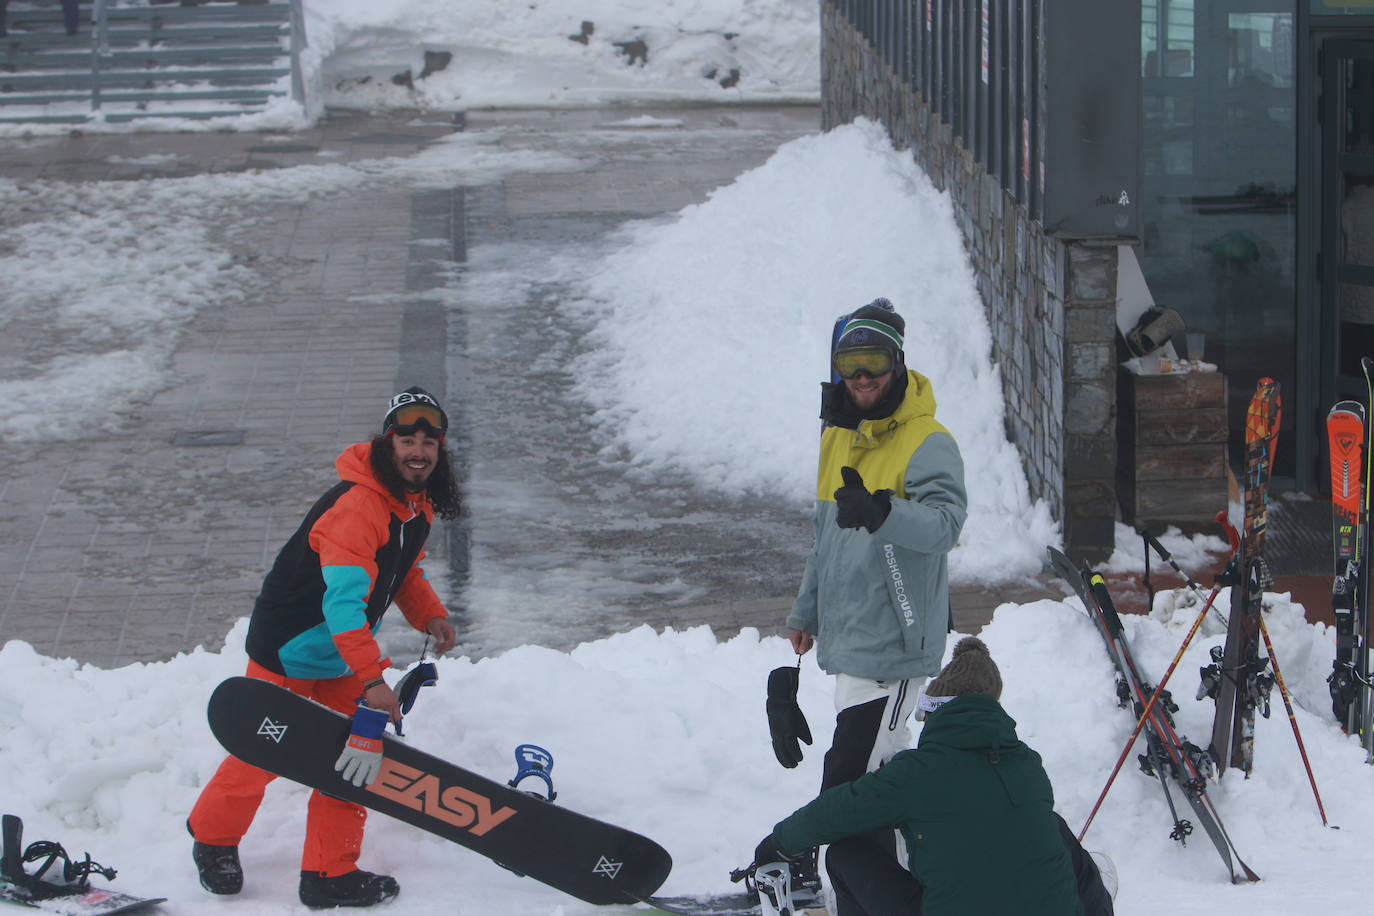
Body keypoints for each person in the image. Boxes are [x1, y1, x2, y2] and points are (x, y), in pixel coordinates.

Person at [187, 386, 461, 908]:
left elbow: (401, 571)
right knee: (261, 753)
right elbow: (342, 610)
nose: (419, 450)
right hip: (289, 650)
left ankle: (328, 873)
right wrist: (376, 680)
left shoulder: (413, 506)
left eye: (429, 441)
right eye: (407, 439)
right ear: (387, 443)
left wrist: (430, 613)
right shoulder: (358, 508)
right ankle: (213, 839)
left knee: (353, 757)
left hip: (340, 653)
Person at [771, 298, 967, 889]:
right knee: (877, 778)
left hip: (896, 642)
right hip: (849, 638)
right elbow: (824, 537)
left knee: (853, 785)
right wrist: (807, 609)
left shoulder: (927, 440)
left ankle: (825, 874)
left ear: (897, 363)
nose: (861, 378)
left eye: (873, 362)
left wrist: (884, 512)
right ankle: (912, 880)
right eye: (850, 364)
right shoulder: (839, 434)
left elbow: (945, 527)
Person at [754, 637, 1114, 916]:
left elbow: (839, 811)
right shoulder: (1028, 766)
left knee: (846, 853)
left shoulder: (919, 772)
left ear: (938, 711)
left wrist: (779, 843)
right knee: (1053, 829)